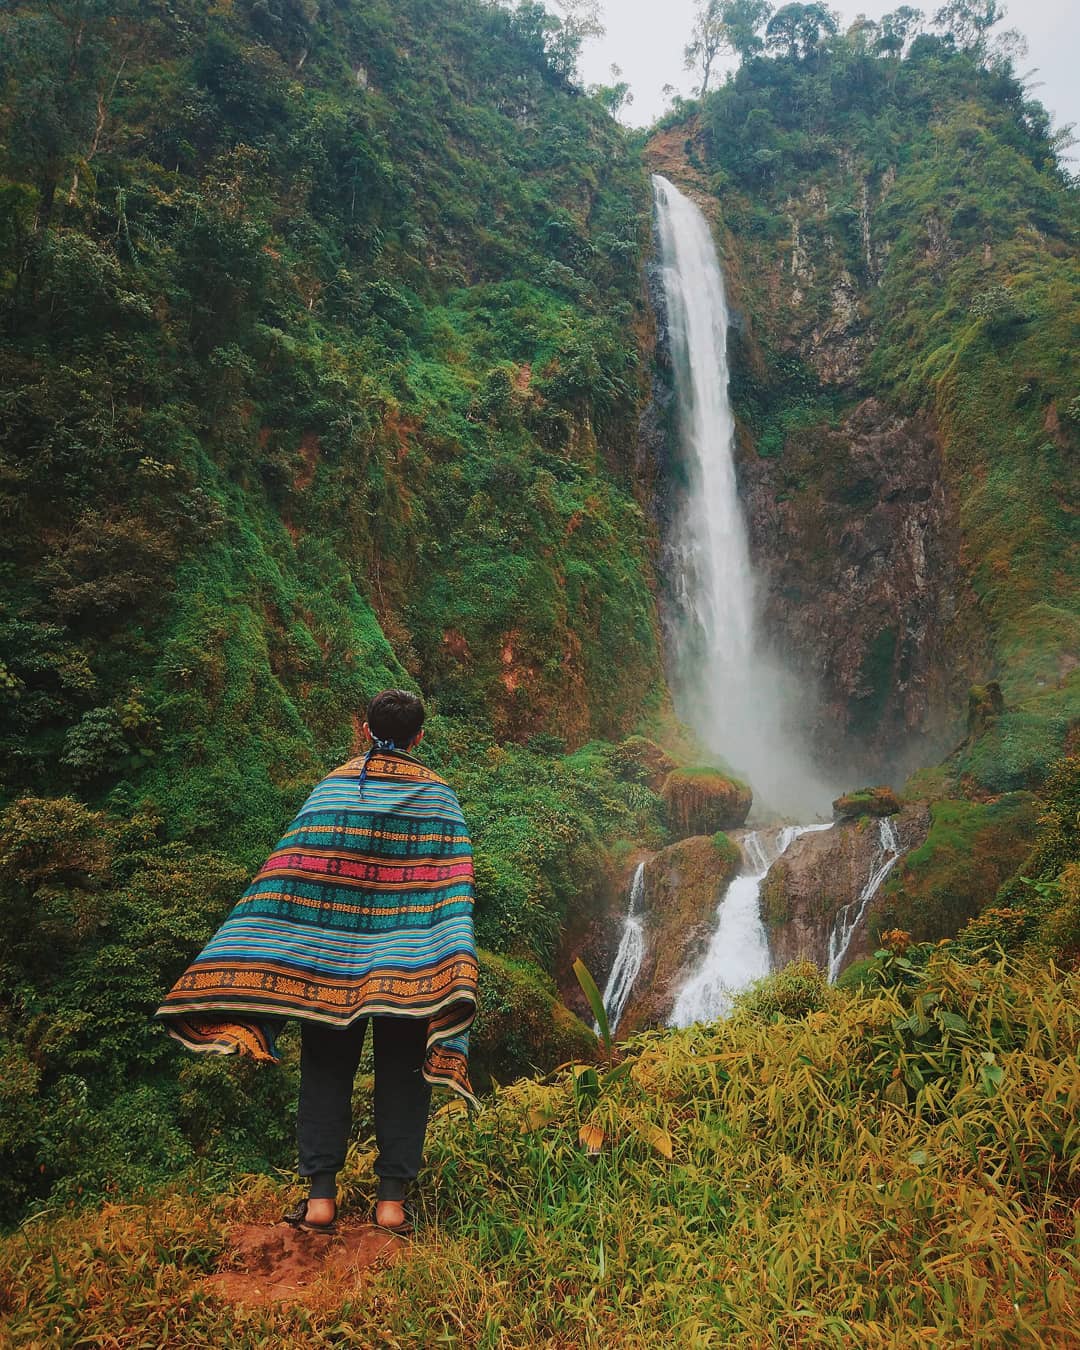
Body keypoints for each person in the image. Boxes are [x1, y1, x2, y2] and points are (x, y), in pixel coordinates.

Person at [156, 689, 478, 1234]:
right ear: (419, 736)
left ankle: (321, 1200)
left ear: (365, 729)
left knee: (326, 1070)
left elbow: (288, 874)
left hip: (325, 966)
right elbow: (451, 889)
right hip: (409, 966)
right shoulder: (439, 800)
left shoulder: (331, 791)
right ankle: (391, 1206)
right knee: (403, 1075)